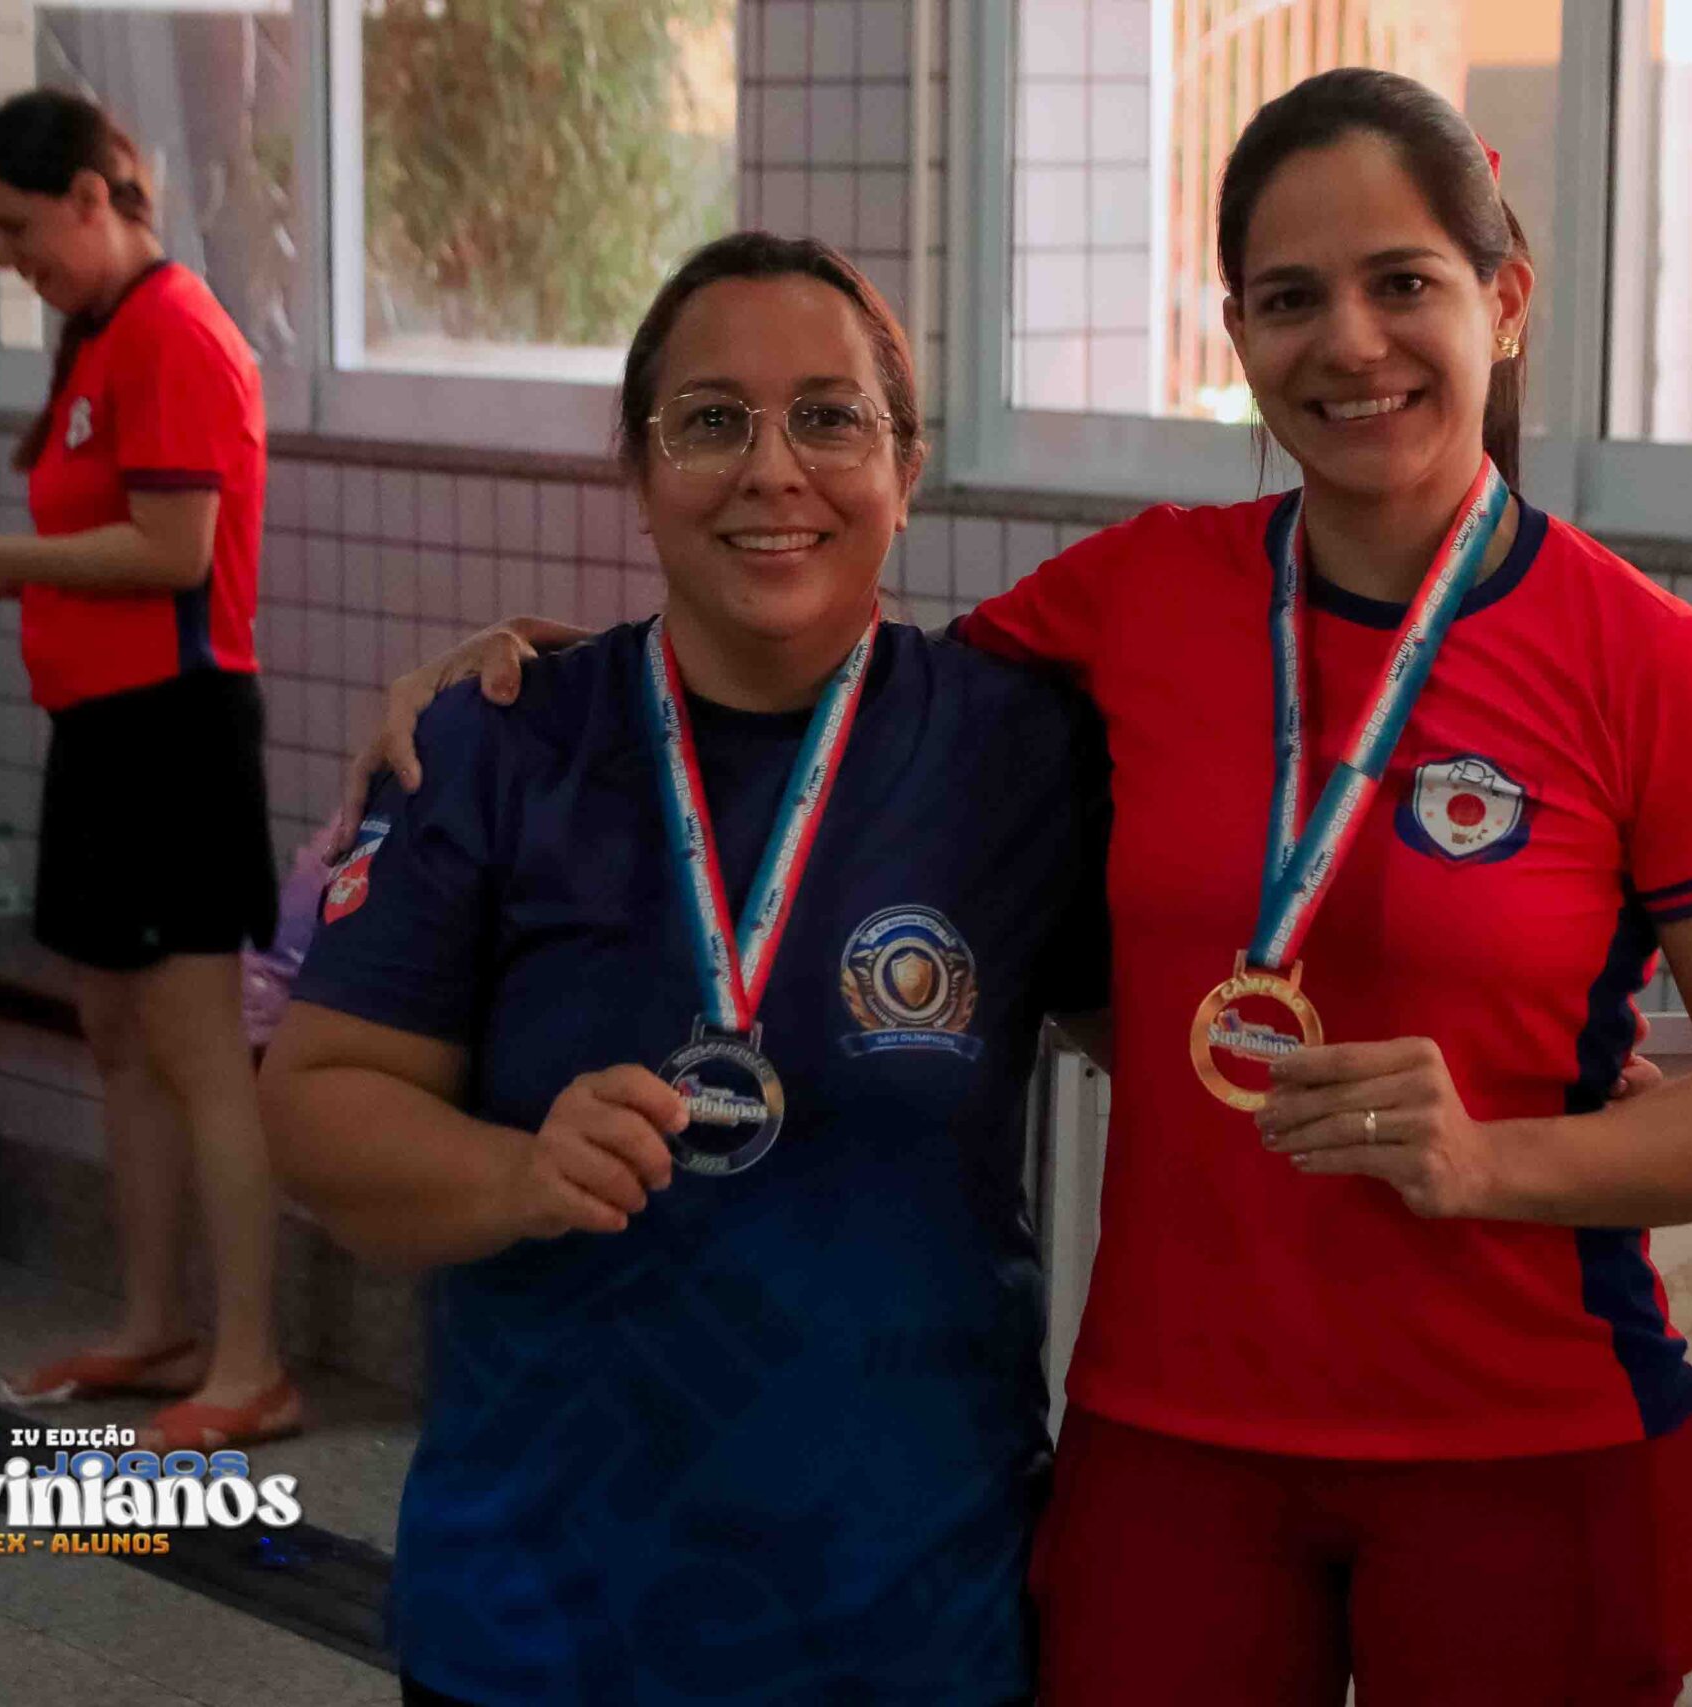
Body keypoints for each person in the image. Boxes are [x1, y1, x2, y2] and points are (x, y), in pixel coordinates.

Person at [352, 69, 1692, 1704]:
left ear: (1502, 303)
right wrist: (542, 677)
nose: (1350, 342)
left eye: (1402, 283)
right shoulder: (1138, 599)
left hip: (1525, 1428)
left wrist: (1500, 1157)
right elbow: (823, 692)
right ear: (1240, 333)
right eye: (1292, 298)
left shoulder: (1659, 673)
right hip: (1177, 1441)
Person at [258, 233, 1109, 1706]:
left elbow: (1191, 1037)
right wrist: (518, 1173)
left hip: (909, 1621)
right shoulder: (498, 744)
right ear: (641, 474)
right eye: (712, 421)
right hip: (544, 1623)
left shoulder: (1013, 755)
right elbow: (317, 1102)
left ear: (906, 470)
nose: (773, 470)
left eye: (830, 418)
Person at [0, 89, 296, 1451]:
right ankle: (155, 1324)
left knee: (198, 1051)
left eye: (17, 228)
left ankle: (252, 1365)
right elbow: (95, 545)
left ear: (94, 199)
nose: (8, 260)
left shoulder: (174, 330)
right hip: (103, 733)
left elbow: (175, 553)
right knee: (116, 1037)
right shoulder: (101, 332)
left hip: (177, 732)